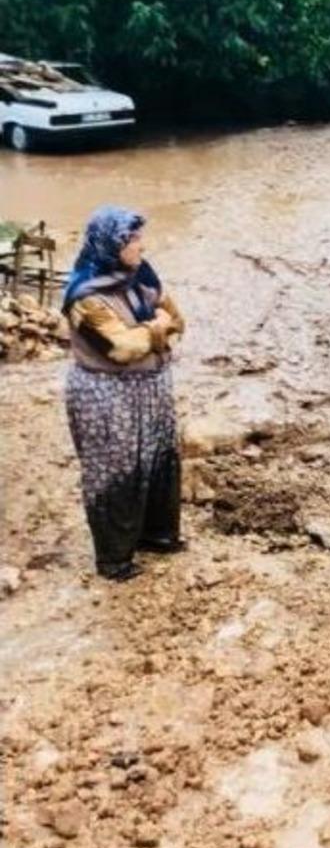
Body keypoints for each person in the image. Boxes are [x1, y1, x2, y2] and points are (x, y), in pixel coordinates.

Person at [62, 207, 185, 581]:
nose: (140, 246)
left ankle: (157, 536)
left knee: (159, 460)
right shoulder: (85, 297)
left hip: (152, 387)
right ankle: (115, 558)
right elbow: (120, 349)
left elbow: (179, 321)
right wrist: (158, 328)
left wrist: (153, 330)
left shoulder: (143, 275)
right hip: (105, 394)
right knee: (115, 472)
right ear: (112, 245)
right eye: (132, 240)